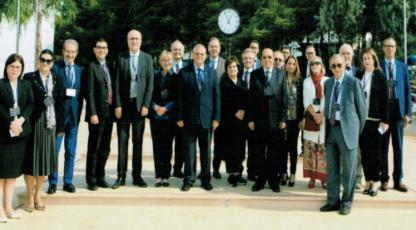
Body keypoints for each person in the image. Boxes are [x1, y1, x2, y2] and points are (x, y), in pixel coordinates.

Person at [320, 54, 366, 216]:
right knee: (332, 169)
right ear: (330, 67)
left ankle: (347, 202)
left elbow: (363, 112)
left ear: (345, 65)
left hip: (348, 133)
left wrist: (355, 132)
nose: (337, 69)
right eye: (333, 66)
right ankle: (333, 201)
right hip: (331, 130)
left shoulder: (354, 83)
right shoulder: (328, 83)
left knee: (348, 170)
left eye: (339, 65)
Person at [23, 50, 64, 212]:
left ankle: (38, 194)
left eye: (49, 61)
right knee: (31, 162)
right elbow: (26, 101)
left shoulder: (57, 79)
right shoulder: (29, 78)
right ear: (38, 61)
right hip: (34, 123)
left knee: (44, 162)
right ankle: (29, 197)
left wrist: (60, 126)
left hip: (50, 123)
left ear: (53, 63)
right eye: (43, 60)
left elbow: (60, 103)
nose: (45, 63)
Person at [112, 29, 154, 189]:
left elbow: (150, 84)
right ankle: (120, 176)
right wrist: (117, 105)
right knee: (122, 143)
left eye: (137, 38)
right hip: (124, 106)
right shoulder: (121, 57)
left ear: (141, 41)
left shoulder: (147, 58)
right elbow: (116, 83)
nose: (134, 41)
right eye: (131, 38)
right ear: (127, 40)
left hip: (139, 107)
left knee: (138, 143)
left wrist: (146, 105)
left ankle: (137, 176)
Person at [176, 44, 220, 192]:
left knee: (206, 151)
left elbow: (216, 96)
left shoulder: (212, 72)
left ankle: (206, 180)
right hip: (188, 119)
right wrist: (180, 117)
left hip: (207, 119)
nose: (200, 57)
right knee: (189, 151)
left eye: (202, 54)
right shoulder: (184, 72)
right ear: (192, 55)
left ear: (205, 56)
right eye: (197, 54)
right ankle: (189, 179)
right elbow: (180, 97)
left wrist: (216, 118)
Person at [247, 48, 287, 193]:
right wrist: (250, 119)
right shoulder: (254, 74)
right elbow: (250, 99)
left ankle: (273, 180)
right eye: (264, 57)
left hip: (276, 121)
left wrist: (283, 118)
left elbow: (284, 98)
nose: (268, 60)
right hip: (259, 120)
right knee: (259, 152)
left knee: (273, 152)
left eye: (270, 57)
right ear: (261, 59)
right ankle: (260, 180)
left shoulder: (281, 74)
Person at [48, 39, 84, 194]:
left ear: (76, 53)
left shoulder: (79, 70)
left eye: (73, 52)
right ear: (63, 51)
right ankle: (53, 182)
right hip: (58, 118)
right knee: (54, 151)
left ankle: (68, 181)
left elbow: (81, 94)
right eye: (67, 51)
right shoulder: (55, 69)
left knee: (71, 151)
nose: (70, 54)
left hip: (74, 118)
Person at [0, 54, 33, 222]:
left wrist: (20, 120)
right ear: (6, 67)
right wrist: (9, 122)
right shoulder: (0, 84)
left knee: (12, 174)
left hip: (19, 134)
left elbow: (30, 105)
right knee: (1, 173)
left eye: (18, 67)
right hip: (3, 135)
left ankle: (8, 207)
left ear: (22, 70)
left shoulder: (25, 85)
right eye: (12, 66)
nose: (15, 70)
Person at [380, 37, 412, 192]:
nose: (390, 49)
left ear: (396, 48)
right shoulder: (378, 66)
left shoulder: (402, 67)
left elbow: (407, 90)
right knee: (383, 147)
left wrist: (407, 113)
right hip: (383, 113)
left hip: (398, 112)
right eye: (387, 46)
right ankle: (384, 179)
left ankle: (398, 180)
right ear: (383, 48)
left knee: (398, 147)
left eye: (392, 46)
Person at [356, 47, 389, 197]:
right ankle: (368, 180)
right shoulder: (359, 75)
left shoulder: (380, 76)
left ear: (374, 59)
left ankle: (376, 181)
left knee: (375, 153)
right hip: (362, 121)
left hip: (376, 121)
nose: (366, 61)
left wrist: (385, 121)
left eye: (369, 58)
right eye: (364, 58)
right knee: (364, 152)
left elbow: (385, 100)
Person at [85, 39, 114, 191]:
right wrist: (93, 113)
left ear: (107, 50)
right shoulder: (91, 66)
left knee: (105, 147)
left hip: (109, 113)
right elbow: (88, 92)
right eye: (99, 47)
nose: (102, 50)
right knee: (94, 147)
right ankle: (91, 179)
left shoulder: (108, 66)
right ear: (94, 50)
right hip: (97, 114)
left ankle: (101, 176)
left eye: (104, 47)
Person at [216, 56, 247, 187]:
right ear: (226, 69)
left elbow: (247, 100)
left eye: (234, 66)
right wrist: (235, 112)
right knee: (230, 149)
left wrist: (244, 111)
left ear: (238, 68)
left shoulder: (242, 82)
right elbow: (222, 103)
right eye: (229, 67)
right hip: (228, 122)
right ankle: (231, 174)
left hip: (241, 122)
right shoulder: (223, 84)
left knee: (240, 148)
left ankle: (238, 173)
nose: (232, 69)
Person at [149, 50, 178, 187]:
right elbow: (148, 94)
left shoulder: (176, 77)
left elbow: (177, 98)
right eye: (164, 60)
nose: (167, 63)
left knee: (167, 147)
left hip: (169, 117)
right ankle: (158, 175)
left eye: (169, 60)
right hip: (155, 116)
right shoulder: (154, 76)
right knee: (157, 146)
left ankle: (166, 175)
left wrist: (166, 108)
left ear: (172, 62)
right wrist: (155, 107)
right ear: (160, 62)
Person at [302, 56, 328, 189]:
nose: (315, 66)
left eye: (317, 63)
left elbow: (329, 100)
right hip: (311, 116)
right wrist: (314, 115)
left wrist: (321, 115)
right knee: (311, 149)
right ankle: (312, 178)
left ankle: (324, 179)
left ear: (321, 65)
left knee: (323, 150)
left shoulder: (327, 81)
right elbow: (306, 102)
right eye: (312, 64)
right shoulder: (306, 82)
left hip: (324, 118)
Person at [339, 43, 363, 190]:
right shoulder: (335, 71)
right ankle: (342, 179)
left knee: (357, 151)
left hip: (354, 120)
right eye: (344, 53)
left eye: (348, 53)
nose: (346, 56)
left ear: (352, 55)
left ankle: (358, 179)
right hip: (340, 119)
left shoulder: (360, 73)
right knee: (342, 151)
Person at [281, 55, 303, 187]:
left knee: (292, 148)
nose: (291, 66)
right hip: (283, 119)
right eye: (289, 63)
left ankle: (293, 173)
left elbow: (302, 101)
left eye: (293, 64)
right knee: (282, 148)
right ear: (285, 65)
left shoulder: (300, 81)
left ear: (296, 66)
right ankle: (284, 173)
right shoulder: (280, 79)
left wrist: (302, 118)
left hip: (295, 119)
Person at [207, 37, 225, 179]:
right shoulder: (202, 61)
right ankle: (205, 169)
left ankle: (216, 169)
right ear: (208, 48)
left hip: (220, 109)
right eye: (211, 46)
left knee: (219, 142)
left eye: (216, 46)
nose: (214, 49)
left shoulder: (226, 64)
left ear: (219, 48)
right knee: (205, 143)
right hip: (205, 109)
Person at [171, 40, 188, 178]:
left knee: (181, 144)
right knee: (166, 144)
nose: (177, 52)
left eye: (179, 49)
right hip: (167, 113)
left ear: (183, 51)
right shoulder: (166, 66)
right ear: (171, 51)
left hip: (183, 113)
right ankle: (165, 169)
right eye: (175, 49)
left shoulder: (188, 68)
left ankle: (178, 169)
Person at [239, 48, 256, 181]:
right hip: (238, 118)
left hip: (252, 118)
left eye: (250, 58)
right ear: (242, 60)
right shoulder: (236, 73)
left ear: (254, 59)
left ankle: (251, 172)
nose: (248, 60)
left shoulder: (257, 75)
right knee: (238, 146)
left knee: (252, 147)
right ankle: (238, 172)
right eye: (245, 58)